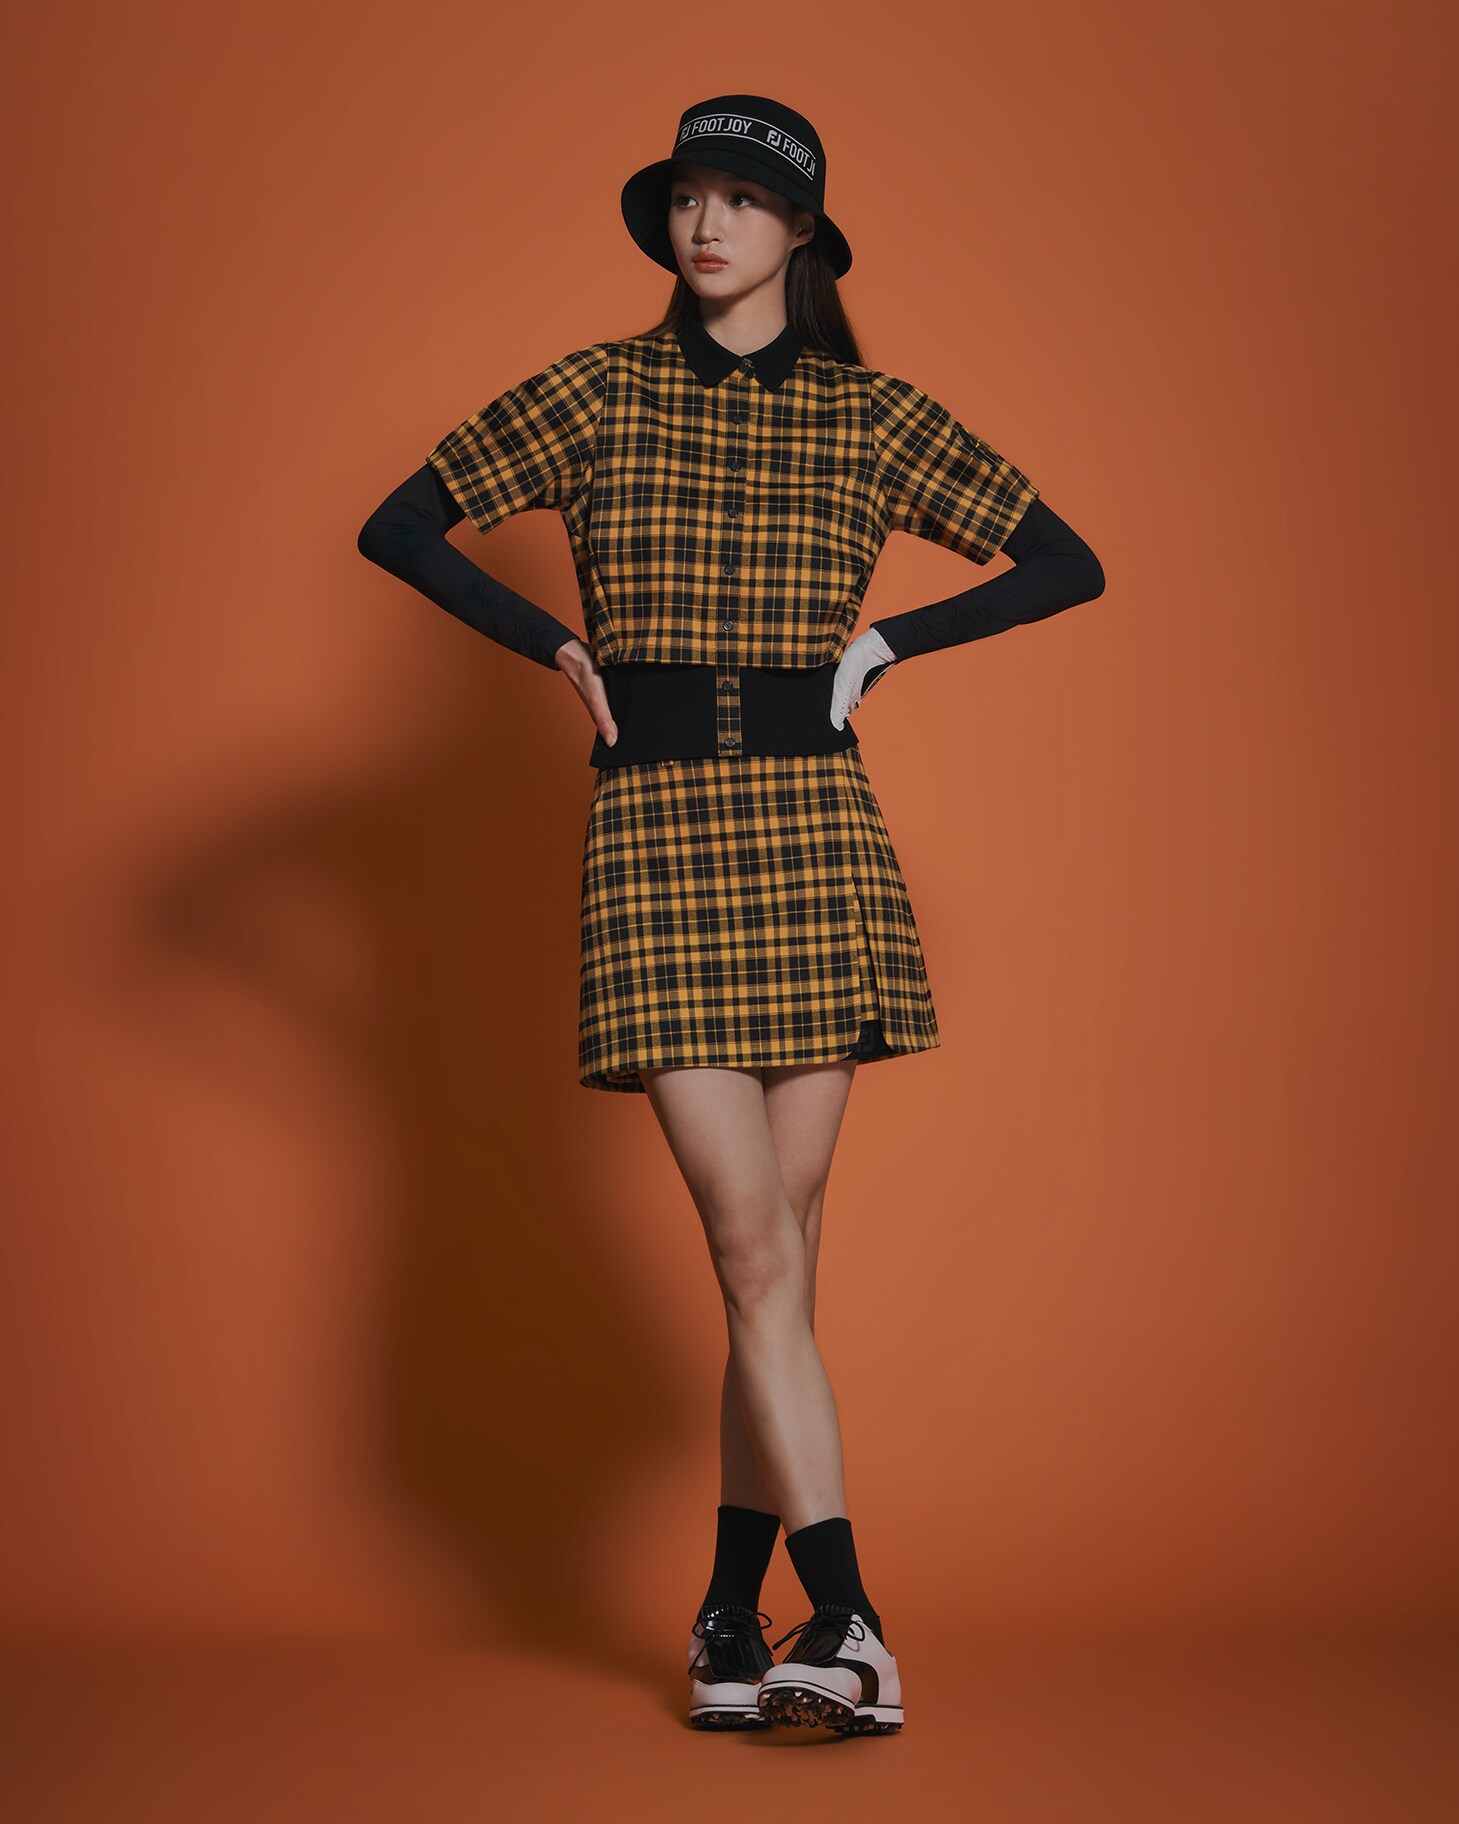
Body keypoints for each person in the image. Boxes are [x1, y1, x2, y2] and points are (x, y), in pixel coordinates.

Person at [358, 93, 1105, 1736]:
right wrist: (551, 643)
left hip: (815, 840)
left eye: (744, 201)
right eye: (689, 196)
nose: (708, 224)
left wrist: (888, 644)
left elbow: (1068, 560)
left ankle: (725, 1616)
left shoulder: (869, 416)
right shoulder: (598, 391)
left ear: (802, 234)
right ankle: (852, 1619)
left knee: (782, 1263)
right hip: (655, 846)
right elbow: (396, 524)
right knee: (754, 1246)